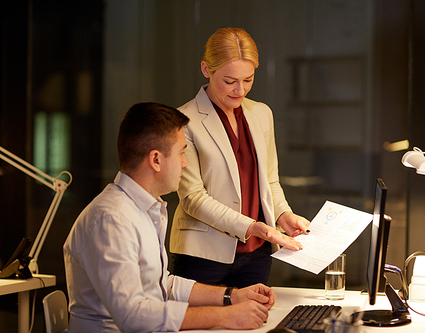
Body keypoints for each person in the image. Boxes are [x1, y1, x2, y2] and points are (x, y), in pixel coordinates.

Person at [63, 102, 276, 333]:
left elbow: (162, 284)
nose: (185, 163)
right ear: (156, 160)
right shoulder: (111, 219)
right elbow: (133, 316)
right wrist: (225, 316)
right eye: (182, 152)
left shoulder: (143, 208)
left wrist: (232, 296)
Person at [170, 27, 310, 289]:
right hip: (202, 255)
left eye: (248, 79)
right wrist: (251, 226)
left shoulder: (261, 114)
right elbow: (192, 199)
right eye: (230, 80)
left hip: (256, 254)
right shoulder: (183, 120)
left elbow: (270, 182)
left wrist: (283, 214)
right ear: (205, 69)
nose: (240, 90)